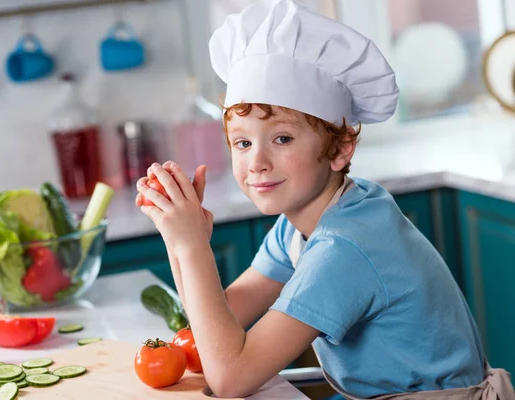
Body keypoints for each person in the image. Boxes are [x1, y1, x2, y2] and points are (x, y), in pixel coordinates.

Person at [135, 0, 515, 398]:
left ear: (340, 149)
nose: (257, 162)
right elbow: (218, 321)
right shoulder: (306, 222)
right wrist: (177, 233)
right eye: (242, 142)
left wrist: (192, 246)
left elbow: (231, 378)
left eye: (282, 138)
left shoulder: (346, 247)